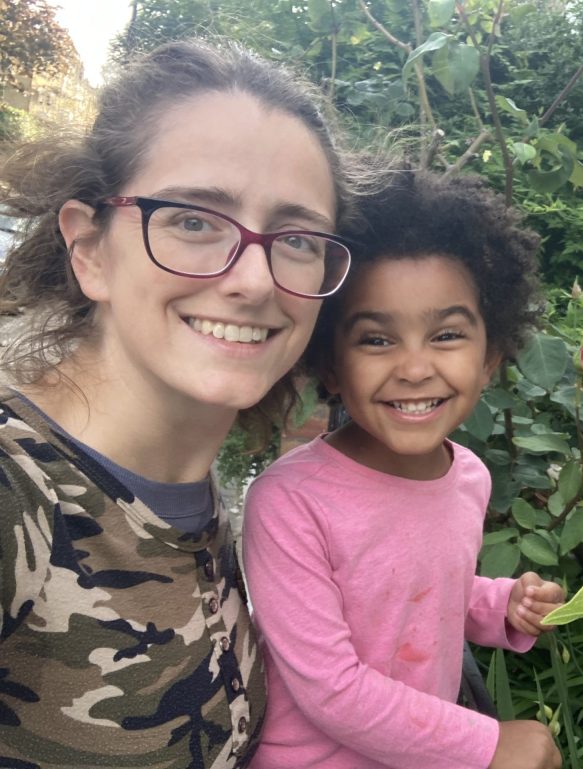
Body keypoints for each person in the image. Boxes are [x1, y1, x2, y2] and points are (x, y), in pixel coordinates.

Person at [0, 39, 361, 768]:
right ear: (91, 249)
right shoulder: (18, 487)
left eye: (295, 238)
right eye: (194, 220)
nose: (255, 280)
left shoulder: (192, 496)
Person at [242, 170, 565, 769]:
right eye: (375, 340)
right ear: (330, 367)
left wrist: (499, 606)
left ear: (490, 357)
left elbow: (423, 588)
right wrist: (489, 743)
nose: (415, 368)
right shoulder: (290, 501)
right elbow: (331, 688)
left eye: (445, 334)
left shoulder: (467, 476)